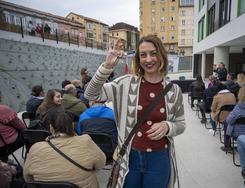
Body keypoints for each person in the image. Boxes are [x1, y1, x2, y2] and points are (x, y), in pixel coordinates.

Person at [84, 35, 185, 188]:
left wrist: (167, 126)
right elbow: (90, 94)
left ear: (161, 55)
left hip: (159, 159)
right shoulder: (125, 83)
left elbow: (181, 123)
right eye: (143, 55)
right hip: (129, 159)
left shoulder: (174, 90)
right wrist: (107, 66)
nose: (148, 59)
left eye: (153, 53)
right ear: (138, 59)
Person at [23, 108, 106, 188]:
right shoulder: (85, 141)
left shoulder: (35, 148)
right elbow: (101, 163)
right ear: (73, 125)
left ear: (51, 127)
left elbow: (28, 178)